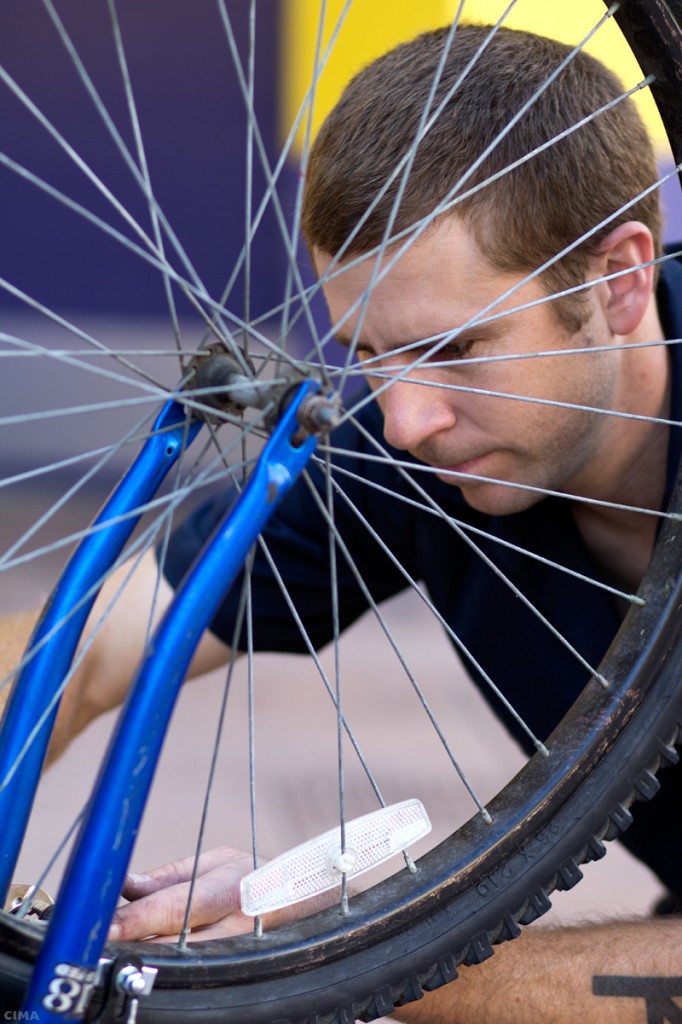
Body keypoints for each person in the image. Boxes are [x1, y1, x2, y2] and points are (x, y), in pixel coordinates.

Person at [2, 21, 682, 1023]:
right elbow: (94, 652)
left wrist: (346, 951)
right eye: (368, 350)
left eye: (457, 349)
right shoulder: (420, 448)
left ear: (617, 280)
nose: (407, 419)